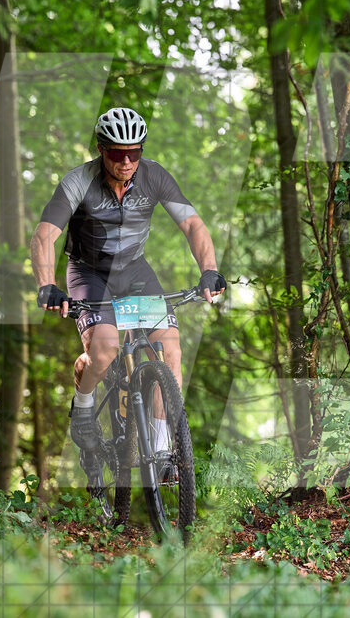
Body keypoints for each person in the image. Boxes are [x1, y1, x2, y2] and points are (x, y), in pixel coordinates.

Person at [30, 106, 226, 468]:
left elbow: (193, 226)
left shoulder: (154, 177)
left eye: (133, 153)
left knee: (169, 351)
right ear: (102, 149)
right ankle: (85, 407)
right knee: (104, 349)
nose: (125, 161)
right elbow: (44, 236)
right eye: (117, 153)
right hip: (88, 273)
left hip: (135, 272)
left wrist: (210, 271)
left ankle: (164, 449)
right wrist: (47, 285)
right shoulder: (78, 181)